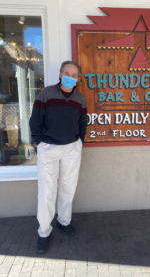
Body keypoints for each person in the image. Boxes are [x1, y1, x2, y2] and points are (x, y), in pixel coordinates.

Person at [29, 60, 87, 254]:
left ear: (78, 78)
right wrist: (40, 142)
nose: (71, 77)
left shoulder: (80, 98)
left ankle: (63, 222)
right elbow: (35, 120)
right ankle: (44, 232)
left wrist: (79, 142)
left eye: (75, 75)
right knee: (47, 191)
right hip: (49, 148)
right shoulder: (46, 93)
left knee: (68, 187)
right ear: (61, 74)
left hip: (71, 148)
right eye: (67, 73)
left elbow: (82, 123)